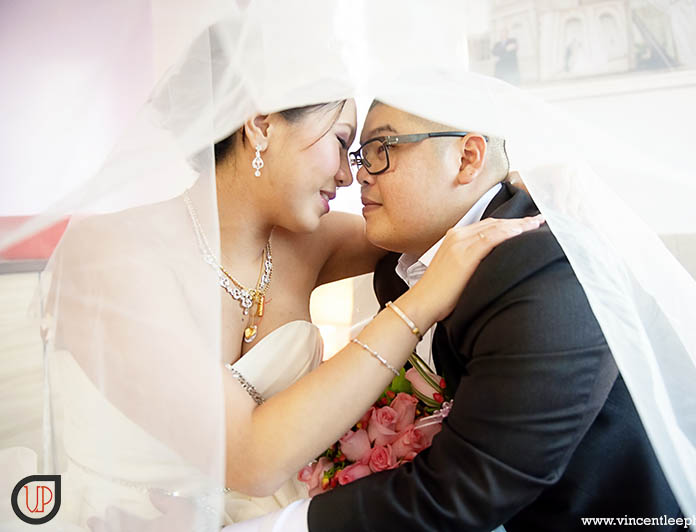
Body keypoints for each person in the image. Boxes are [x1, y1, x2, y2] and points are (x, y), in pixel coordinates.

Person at [41, 97, 543, 530]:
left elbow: (435, 221)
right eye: (341, 140)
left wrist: (502, 187)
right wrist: (420, 303)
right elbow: (250, 461)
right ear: (261, 125)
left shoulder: (311, 242)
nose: (349, 175)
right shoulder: (107, 254)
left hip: (287, 515)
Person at [243, 102, 685, 531]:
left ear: (467, 158)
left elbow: (470, 488)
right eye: (362, 154)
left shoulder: (547, 269)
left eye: (383, 150)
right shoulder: (397, 269)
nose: (358, 172)